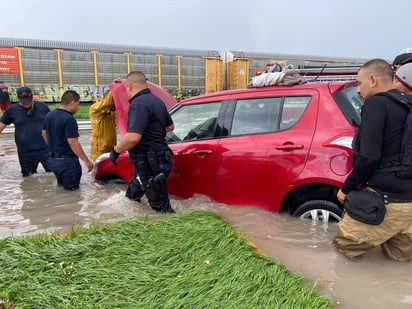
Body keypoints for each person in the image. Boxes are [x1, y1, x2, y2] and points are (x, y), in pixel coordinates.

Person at [333, 59, 412, 261]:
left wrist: (347, 188)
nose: (358, 90)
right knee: (399, 265)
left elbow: (369, 156)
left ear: (373, 80)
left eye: (359, 83)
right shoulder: (408, 104)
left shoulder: (376, 104)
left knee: (344, 255)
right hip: (409, 206)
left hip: (383, 202)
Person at [109, 71, 175, 213]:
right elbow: (170, 126)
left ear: (129, 86)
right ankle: (134, 220)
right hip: (153, 160)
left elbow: (133, 137)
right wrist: (152, 130)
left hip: (151, 164)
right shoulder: (157, 101)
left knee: (162, 210)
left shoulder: (138, 104)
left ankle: (174, 231)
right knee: (131, 198)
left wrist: (115, 151)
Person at [42, 90, 93, 191]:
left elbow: (43, 133)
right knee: (73, 194)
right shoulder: (69, 119)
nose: (78, 108)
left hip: (53, 161)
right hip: (68, 163)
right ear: (73, 102)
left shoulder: (49, 115)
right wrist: (86, 161)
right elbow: (73, 142)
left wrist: (53, 146)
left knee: (61, 189)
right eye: (78, 104)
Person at [0, 86, 51, 177]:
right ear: (18, 98)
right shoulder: (11, 110)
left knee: (53, 174)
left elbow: (52, 124)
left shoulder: (43, 107)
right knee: (28, 178)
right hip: (25, 152)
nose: (27, 103)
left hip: (45, 149)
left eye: (28, 100)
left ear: (32, 97)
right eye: (24, 102)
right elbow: (1, 126)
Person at [89, 89, 116, 161]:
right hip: (100, 147)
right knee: (100, 168)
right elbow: (107, 103)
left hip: (110, 145)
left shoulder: (110, 110)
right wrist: (115, 89)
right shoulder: (95, 108)